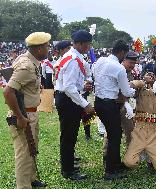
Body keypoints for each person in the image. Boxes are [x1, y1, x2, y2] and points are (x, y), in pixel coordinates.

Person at [3, 32, 51, 189]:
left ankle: (31, 179)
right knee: (24, 154)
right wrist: (20, 117)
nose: (49, 48)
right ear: (38, 49)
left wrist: (35, 88)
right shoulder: (26, 66)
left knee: (32, 147)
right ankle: (23, 186)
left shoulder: (31, 61)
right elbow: (8, 92)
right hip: (24, 114)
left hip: (31, 112)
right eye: (46, 46)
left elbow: (25, 84)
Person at [54, 30, 95, 180]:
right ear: (81, 44)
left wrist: (83, 87)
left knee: (69, 134)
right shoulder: (72, 59)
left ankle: (68, 163)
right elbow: (69, 88)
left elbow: (70, 84)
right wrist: (85, 104)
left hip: (66, 98)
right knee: (69, 136)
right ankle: (68, 170)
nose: (90, 47)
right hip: (68, 100)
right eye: (88, 44)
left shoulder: (72, 57)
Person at [94, 40, 136, 180]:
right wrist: (135, 87)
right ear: (122, 52)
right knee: (115, 137)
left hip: (98, 102)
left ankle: (115, 164)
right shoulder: (119, 68)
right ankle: (110, 171)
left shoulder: (100, 60)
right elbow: (126, 92)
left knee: (113, 134)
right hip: (109, 104)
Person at [123, 69, 156, 171]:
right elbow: (130, 85)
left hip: (154, 130)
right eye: (148, 74)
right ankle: (145, 156)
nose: (151, 76)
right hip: (140, 129)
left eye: (153, 75)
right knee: (128, 162)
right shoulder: (140, 87)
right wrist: (143, 81)